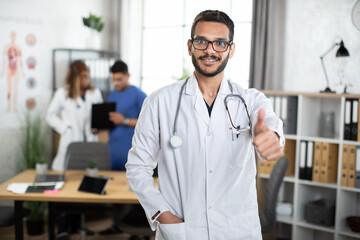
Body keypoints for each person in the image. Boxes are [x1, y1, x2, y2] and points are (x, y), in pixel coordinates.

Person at [126, 10, 285, 240]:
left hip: (237, 230)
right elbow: (137, 167)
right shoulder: (159, 102)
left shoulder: (250, 100)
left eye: (220, 43)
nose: (210, 50)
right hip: (183, 230)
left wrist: (270, 135)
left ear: (231, 50)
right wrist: (163, 214)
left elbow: (270, 123)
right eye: (202, 41)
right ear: (190, 46)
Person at [46, 60, 103, 170]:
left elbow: (99, 115)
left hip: (90, 139)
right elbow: (50, 115)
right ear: (74, 77)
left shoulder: (95, 92)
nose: (85, 80)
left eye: (87, 76)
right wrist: (65, 128)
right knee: (69, 173)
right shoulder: (63, 93)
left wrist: (98, 126)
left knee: (90, 171)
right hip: (71, 138)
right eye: (82, 77)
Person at [107, 60, 147, 170]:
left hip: (131, 151)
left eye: (119, 80)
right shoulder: (112, 95)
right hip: (113, 151)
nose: (116, 83)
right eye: (113, 80)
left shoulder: (139, 95)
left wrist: (124, 121)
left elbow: (148, 124)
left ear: (128, 76)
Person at [1, 32, 25, 112]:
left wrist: (22, 71)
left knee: (15, 88)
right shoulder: (7, 47)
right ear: (10, 37)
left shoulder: (18, 47)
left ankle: (14, 106)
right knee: (9, 88)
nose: (13, 37)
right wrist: (2, 71)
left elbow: (20, 59)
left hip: (16, 68)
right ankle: (8, 106)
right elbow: (4, 59)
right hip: (9, 68)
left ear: (15, 37)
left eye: (14, 36)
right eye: (12, 36)